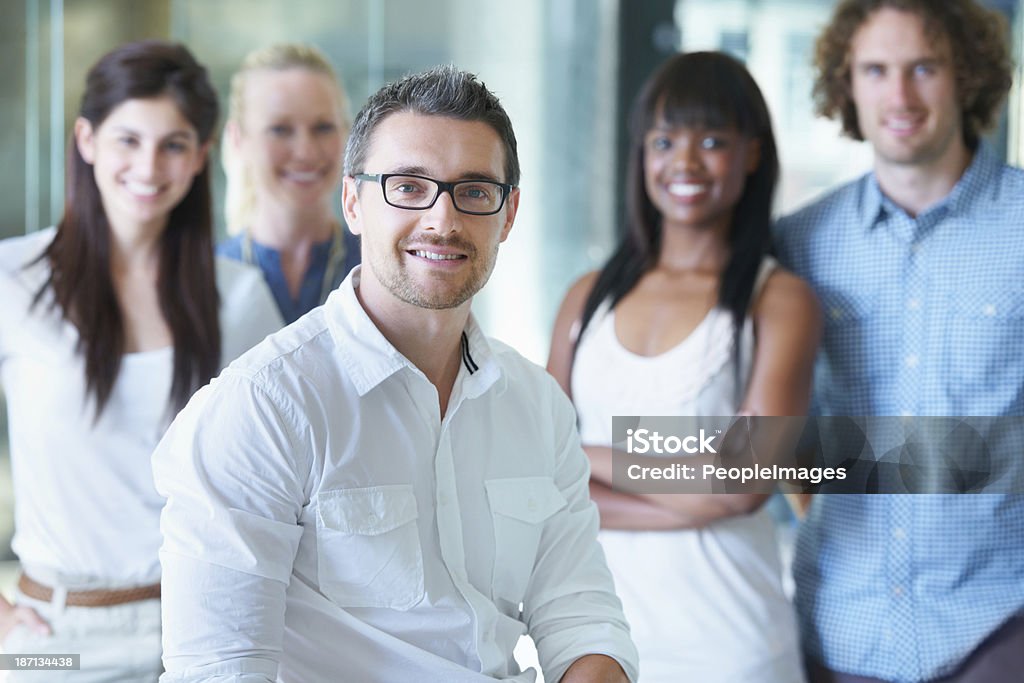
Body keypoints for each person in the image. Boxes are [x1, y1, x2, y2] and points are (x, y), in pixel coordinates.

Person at [153, 65, 639, 683]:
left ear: (508, 214)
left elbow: (582, 617)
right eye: (408, 187)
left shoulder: (537, 404)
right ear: (354, 202)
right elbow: (217, 670)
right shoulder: (262, 406)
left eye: (474, 190)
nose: (443, 219)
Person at [0, 41, 281, 681]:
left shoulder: (237, 297)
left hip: (204, 629)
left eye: (174, 144)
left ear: (202, 156)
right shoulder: (11, 281)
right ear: (87, 140)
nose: (149, 166)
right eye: (128, 139)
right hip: (55, 639)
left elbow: (280, 480)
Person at [547, 51, 820, 681]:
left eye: (713, 141)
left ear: (753, 154)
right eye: (665, 140)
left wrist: (580, 453)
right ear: (642, 153)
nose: (685, 162)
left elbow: (743, 483)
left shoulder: (778, 301)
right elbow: (534, 481)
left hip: (730, 646)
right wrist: (692, 497)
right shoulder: (586, 297)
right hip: (594, 642)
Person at [774, 1, 1024, 681]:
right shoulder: (801, 242)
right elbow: (773, 433)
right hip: (840, 629)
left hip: (998, 624)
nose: (901, 95)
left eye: (924, 68)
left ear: (966, 76)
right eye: (876, 70)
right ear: (846, 86)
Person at [218, 43, 360, 324]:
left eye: (323, 128)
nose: (306, 151)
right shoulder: (208, 277)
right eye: (280, 130)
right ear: (238, 139)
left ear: (346, 133)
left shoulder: (378, 267)